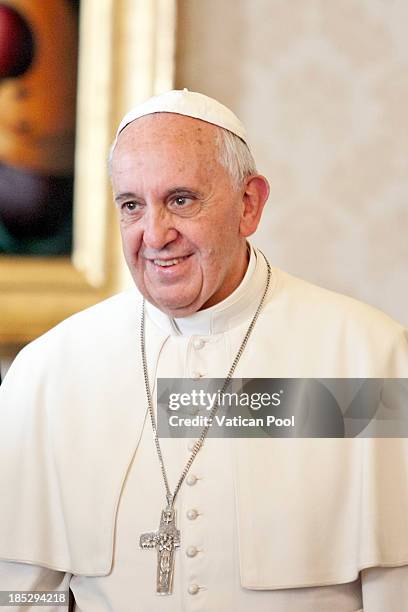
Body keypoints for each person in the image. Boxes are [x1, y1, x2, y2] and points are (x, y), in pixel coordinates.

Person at [0, 89, 408, 611]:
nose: (154, 234)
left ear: (249, 204)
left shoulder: (367, 359)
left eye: (181, 200)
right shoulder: (48, 372)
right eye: (131, 206)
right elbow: (21, 596)